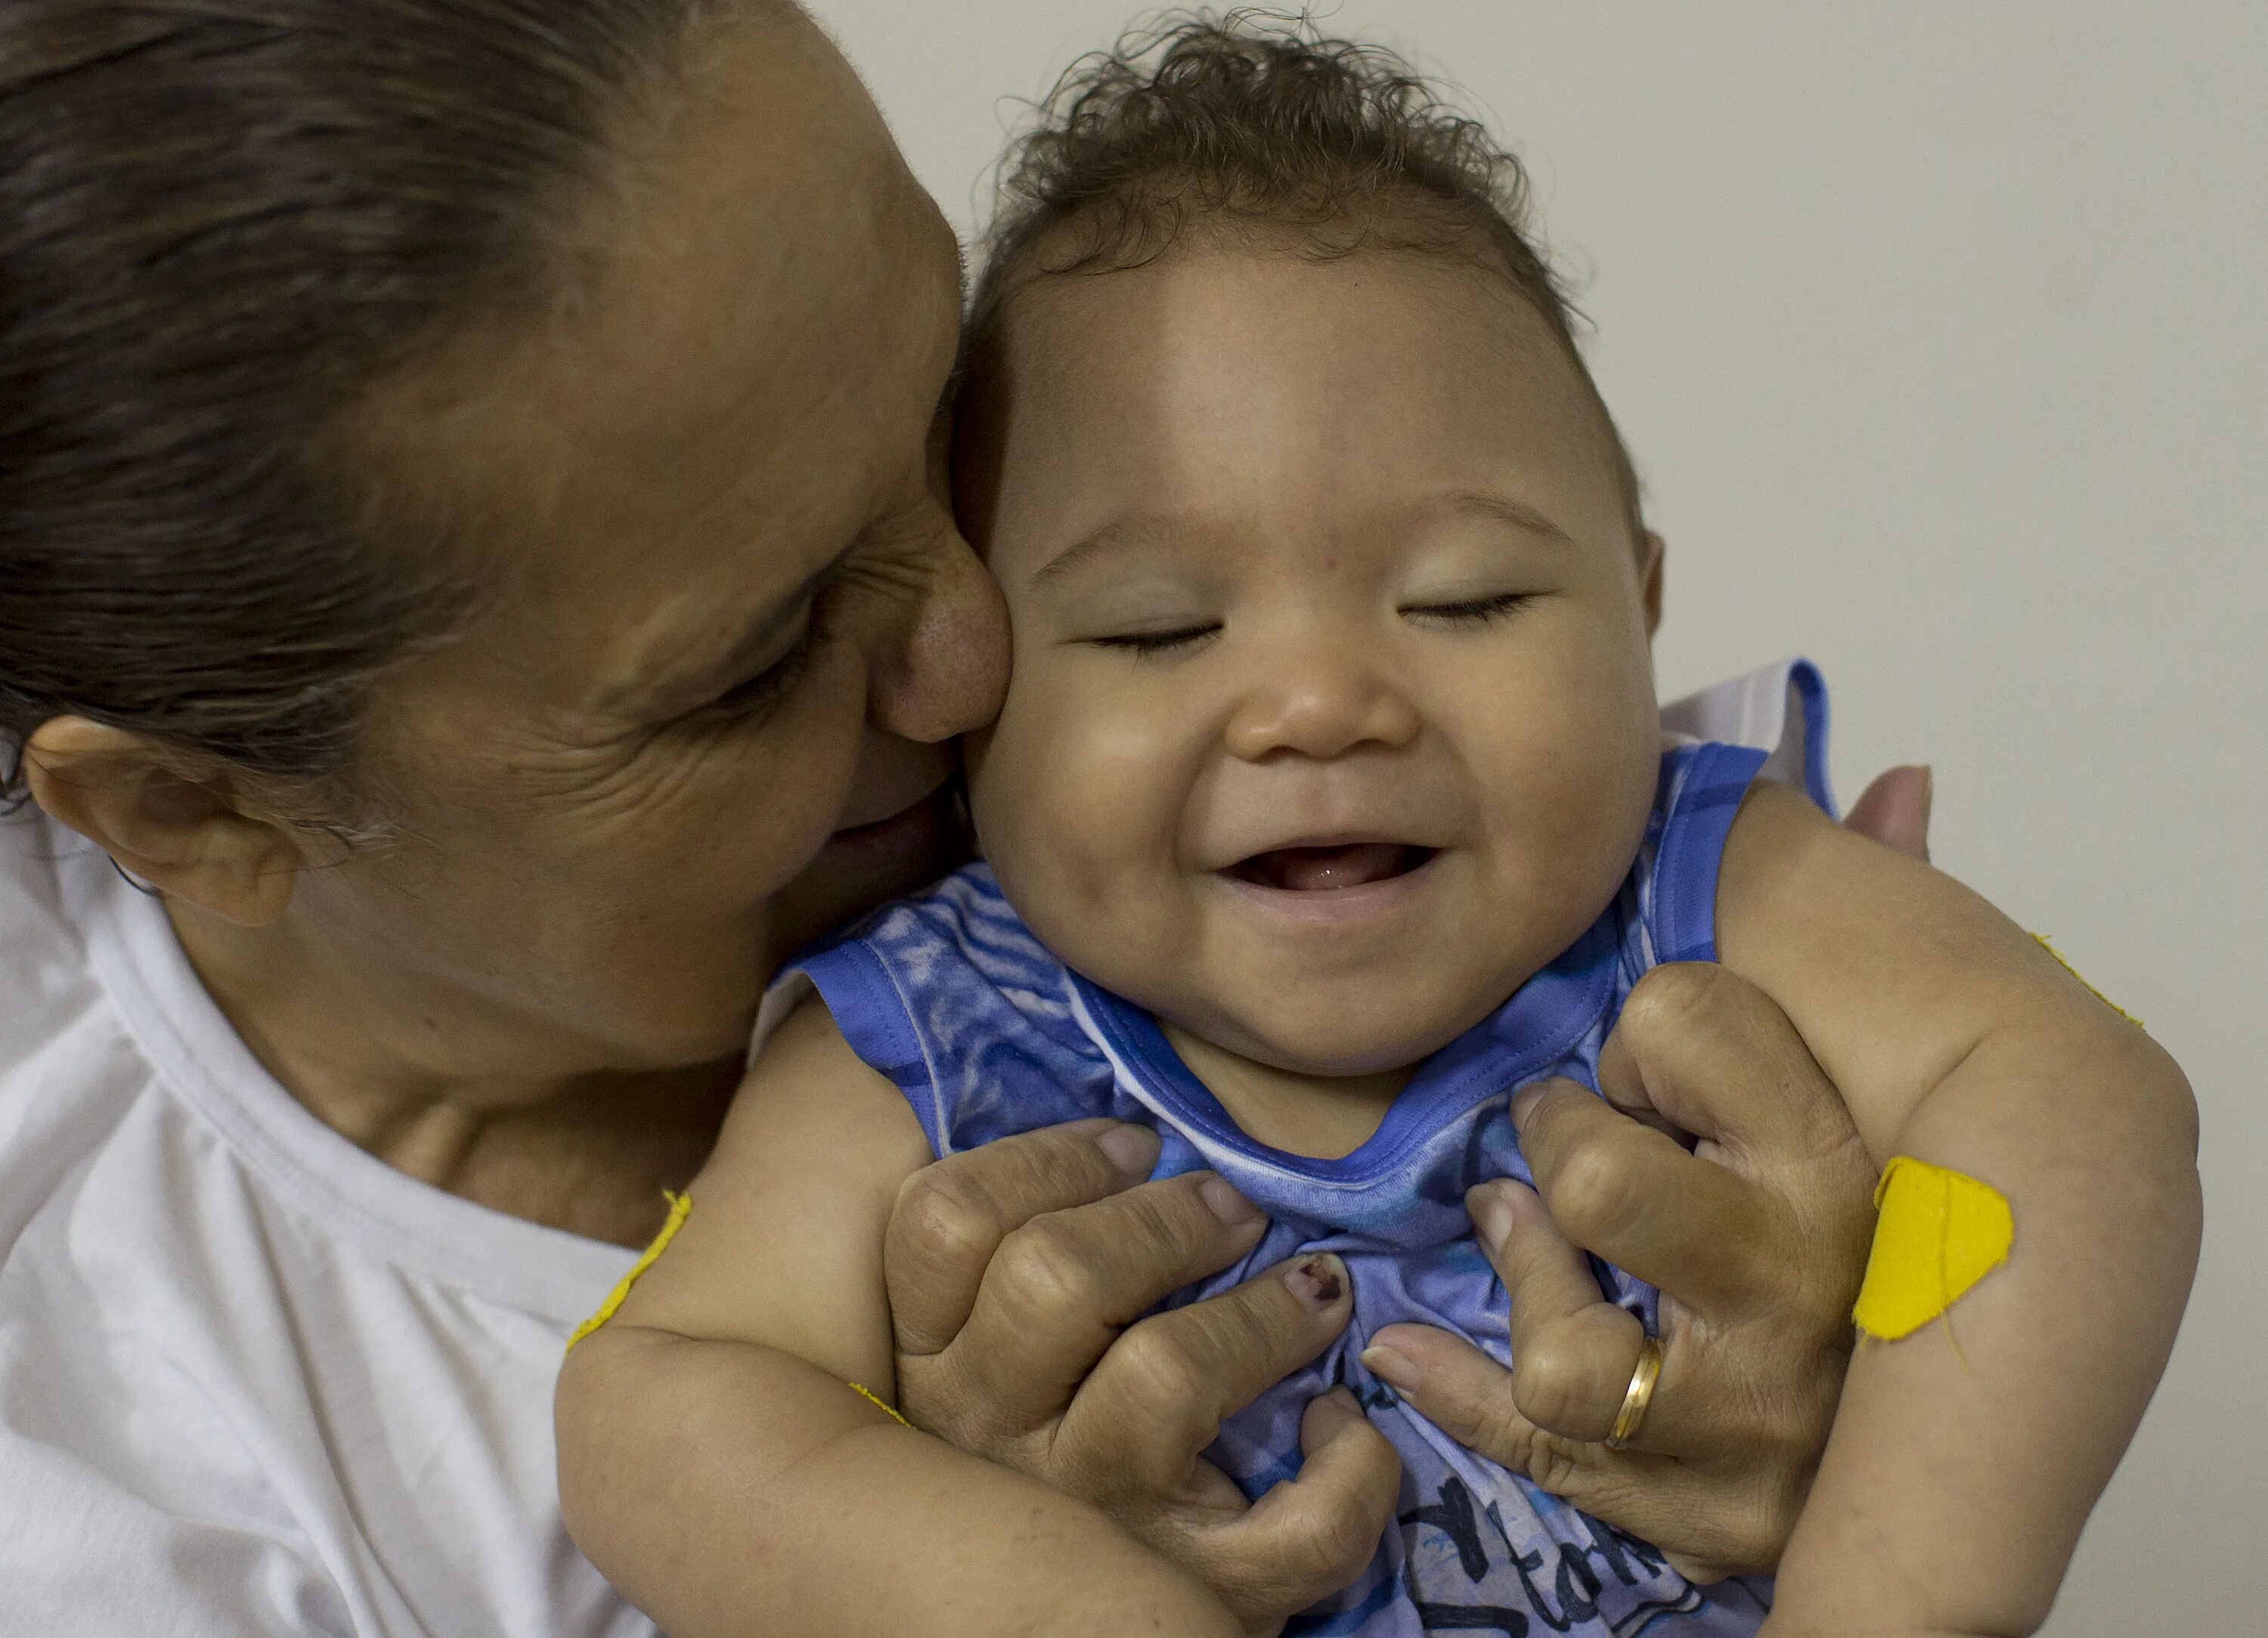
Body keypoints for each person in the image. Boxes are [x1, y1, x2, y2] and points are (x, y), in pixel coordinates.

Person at [4, 3, 1927, 1633]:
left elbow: (2010, 1254)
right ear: (196, 809)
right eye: (753, 664)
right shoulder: (118, 1490)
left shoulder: (1469, 862)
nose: (977, 648)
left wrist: (1881, 1405)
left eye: (946, 419)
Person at [554, 19, 2203, 1638]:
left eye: (1465, 600)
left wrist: (1892, 1595)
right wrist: (1049, 1597)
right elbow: (664, 1404)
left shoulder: (1704, 888)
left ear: (1640, 619)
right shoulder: (941, 1026)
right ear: (979, 701)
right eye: (1156, 629)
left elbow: (2073, 1099)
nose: (1319, 703)